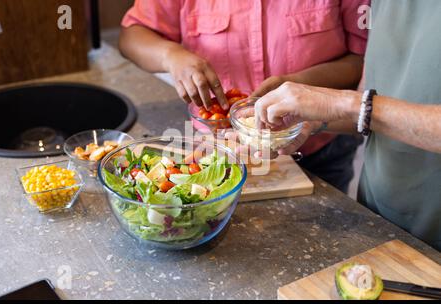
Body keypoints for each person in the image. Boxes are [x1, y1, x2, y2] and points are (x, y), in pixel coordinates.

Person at [118, 0, 369, 193]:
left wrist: (298, 86)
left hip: (319, 148)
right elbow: (132, 36)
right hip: (217, 149)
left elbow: (363, 60)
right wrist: (170, 55)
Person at [253, 0, 441, 250]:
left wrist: (345, 103)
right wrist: (310, 120)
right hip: (380, 211)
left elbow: (364, 106)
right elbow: (374, 97)